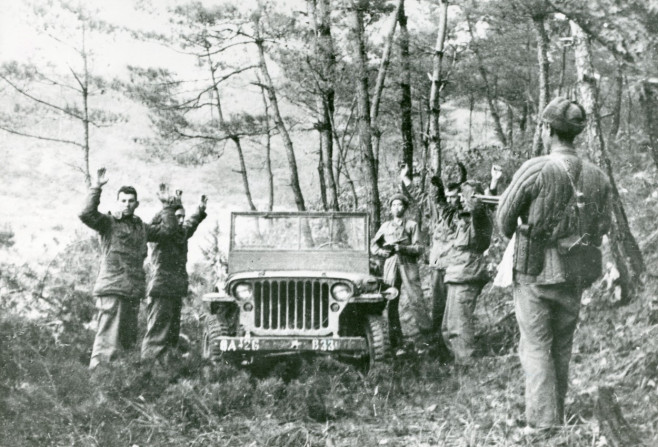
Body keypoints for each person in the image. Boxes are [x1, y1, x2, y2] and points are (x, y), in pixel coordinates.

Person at [496, 97, 611, 432]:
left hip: (534, 272)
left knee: (535, 346)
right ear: (576, 134)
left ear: (547, 129)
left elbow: (504, 223)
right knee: (562, 345)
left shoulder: (535, 169)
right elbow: (603, 227)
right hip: (576, 272)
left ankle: (544, 423)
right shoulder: (598, 176)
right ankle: (554, 413)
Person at [79, 168, 181, 369]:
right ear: (118, 202)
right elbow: (86, 214)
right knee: (107, 341)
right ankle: (100, 380)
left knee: (126, 341)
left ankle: (120, 384)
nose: (127, 204)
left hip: (132, 290)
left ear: (137, 204)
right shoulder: (108, 223)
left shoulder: (140, 227)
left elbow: (168, 232)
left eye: (130, 201)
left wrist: (167, 207)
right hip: (113, 288)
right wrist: (96, 188)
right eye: (123, 200)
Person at [400, 163, 500, 364]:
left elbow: (482, 207)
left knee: (457, 318)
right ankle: (445, 353)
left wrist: (493, 183)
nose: (455, 200)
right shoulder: (447, 212)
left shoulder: (470, 216)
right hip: (444, 269)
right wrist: (407, 180)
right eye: (450, 196)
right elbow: (428, 200)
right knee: (444, 317)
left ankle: (462, 359)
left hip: (462, 269)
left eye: (457, 196)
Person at [141, 191, 208, 362]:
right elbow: (169, 227)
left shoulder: (180, 234)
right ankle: (149, 369)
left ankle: (166, 369)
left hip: (175, 290)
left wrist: (200, 211)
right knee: (157, 334)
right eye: (177, 216)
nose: (181, 220)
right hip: (161, 289)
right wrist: (168, 208)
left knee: (171, 334)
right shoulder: (159, 234)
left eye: (182, 217)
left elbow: (190, 225)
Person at [370, 193, 429, 355]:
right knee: (390, 302)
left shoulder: (411, 225)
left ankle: (427, 340)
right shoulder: (385, 226)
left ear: (405, 207)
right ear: (390, 208)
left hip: (408, 264)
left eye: (400, 205)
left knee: (416, 299)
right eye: (394, 205)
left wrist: (402, 248)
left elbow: (419, 248)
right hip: (390, 265)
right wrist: (385, 252)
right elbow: (373, 246)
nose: (397, 208)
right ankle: (396, 342)